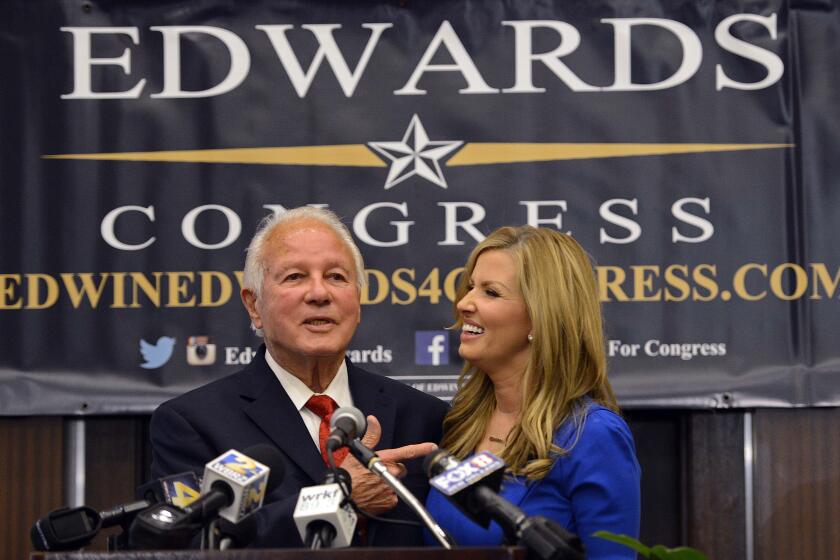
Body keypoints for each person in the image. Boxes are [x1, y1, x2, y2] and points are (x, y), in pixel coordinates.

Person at [150, 206, 449, 548]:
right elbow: (190, 546)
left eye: (337, 276)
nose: (320, 294)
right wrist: (339, 496)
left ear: (358, 299)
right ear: (253, 305)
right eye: (295, 277)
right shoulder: (193, 422)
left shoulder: (422, 416)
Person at [425, 226, 640, 559]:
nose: (464, 303)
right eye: (470, 287)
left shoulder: (593, 435)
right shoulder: (462, 422)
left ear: (541, 319)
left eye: (490, 292)